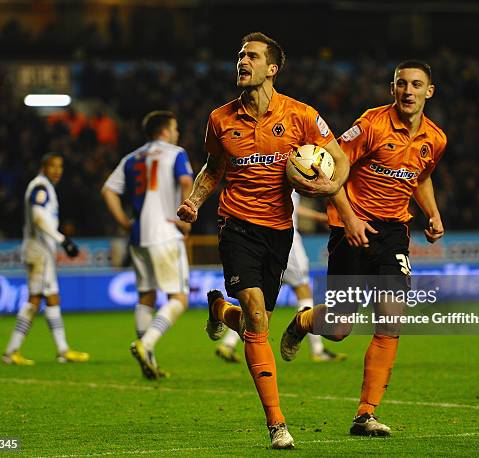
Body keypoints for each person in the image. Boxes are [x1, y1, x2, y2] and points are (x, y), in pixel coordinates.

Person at [177, 32, 349, 449]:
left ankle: (219, 308)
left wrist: (331, 186)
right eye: (239, 55)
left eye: (251, 56)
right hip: (236, 225)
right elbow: (213, 168)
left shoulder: (302, 116)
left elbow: (339, 157)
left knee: (259, 322)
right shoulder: (220, 119)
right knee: (256, 314)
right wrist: (194, 202)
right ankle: (277, 425)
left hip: (278, 230)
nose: (242, 61)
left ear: (272, 68)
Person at [281, 60, 447, 436]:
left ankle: (365, 414)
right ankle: (305, 320)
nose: (408, 91)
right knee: (340, 328)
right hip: (351, 227)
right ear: (392, 89)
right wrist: (350, 218)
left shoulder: (435, 139)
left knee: (390, 319)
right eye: (402, 84)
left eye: (416, 85)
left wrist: (433, 214)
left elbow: (420, 176)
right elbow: (332, 169)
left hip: (394, 232)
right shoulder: (370, 125)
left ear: (429, 91)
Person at [102, 111, 193, 379]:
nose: (177, 133)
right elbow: (186, 180)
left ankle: (148, 359)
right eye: (175, 128)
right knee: (179, 298)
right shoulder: (175, 153)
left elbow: (108, 190)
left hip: (138, 235)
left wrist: (124, 222)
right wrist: (185, 215)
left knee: (146, 297)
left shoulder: (131, 158)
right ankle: (146, 344)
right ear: (165, 131)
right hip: (165, 230)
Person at [216, 191, 347, 363]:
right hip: (284, 235)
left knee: (257, 304)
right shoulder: (289, 170)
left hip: (261, 234)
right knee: (303, 289)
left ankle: (228, 342)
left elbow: (292, 205)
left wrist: (317, 216)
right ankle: (317, 349)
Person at [2, 153, 89, 365]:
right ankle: (11, 351)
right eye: (53, 166)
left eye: (60, 166)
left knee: (52, 298)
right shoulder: (40, 188)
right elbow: (39, 217)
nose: (58, 170)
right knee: (34, 300)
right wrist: (63, 240)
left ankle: (62, 350)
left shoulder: (45, 187)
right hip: (39, 252)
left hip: (43, 252)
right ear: (43, 167)